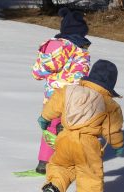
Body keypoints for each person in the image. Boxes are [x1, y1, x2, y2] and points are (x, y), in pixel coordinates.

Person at [21, 59, 124, 192]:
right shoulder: (110, 105)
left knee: (61, 167)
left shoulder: (70, 90)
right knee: (89, 174)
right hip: (87, 144)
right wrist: (118, 145)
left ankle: (51, 190)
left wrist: (44, 117)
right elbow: (112, 130)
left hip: (64, 138)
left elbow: (54, 102)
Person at [32, 7, 91, 174]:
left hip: (50, 97)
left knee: (49, 127)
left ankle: (43, 162)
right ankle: (63, 163)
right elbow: (81, 75)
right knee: (68, 130)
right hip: (69, 97)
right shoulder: (78, 49)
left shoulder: (51, 47)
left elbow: (38, 72)